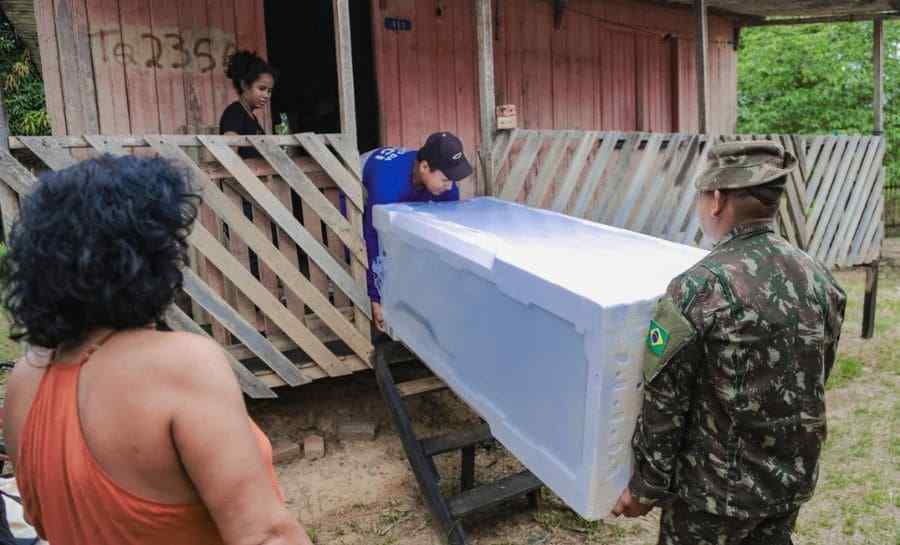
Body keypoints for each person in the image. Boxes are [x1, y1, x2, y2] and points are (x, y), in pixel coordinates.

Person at [0, 156, 313, 545]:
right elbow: (265, 537)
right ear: (149, 258)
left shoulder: (23, 382)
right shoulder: (181, 365)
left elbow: (40, 519)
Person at [612, 141, 847, 545]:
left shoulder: (697, 288)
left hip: (713, 497)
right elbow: (815, 374)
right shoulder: (819, 277)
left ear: (717, 199)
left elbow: (665, 402)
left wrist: (646, 487)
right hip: (789, 482)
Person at [359, 132, 474, 332]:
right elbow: (372, 239)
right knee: (356, 233)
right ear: (424, 167)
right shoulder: (387, 188)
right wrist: (375, 297)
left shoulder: (447, 187)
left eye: (453, 180)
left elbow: (446, 233)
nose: (450, 187)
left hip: (402, 179)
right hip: (360, 175)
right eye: (446, 179)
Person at [220, 50, 276, 158]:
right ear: (244, 85)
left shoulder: (251, 117)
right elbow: (230, 156)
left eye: (269, 91)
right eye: (262, 88)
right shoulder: (234, 113)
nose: (266, 95)